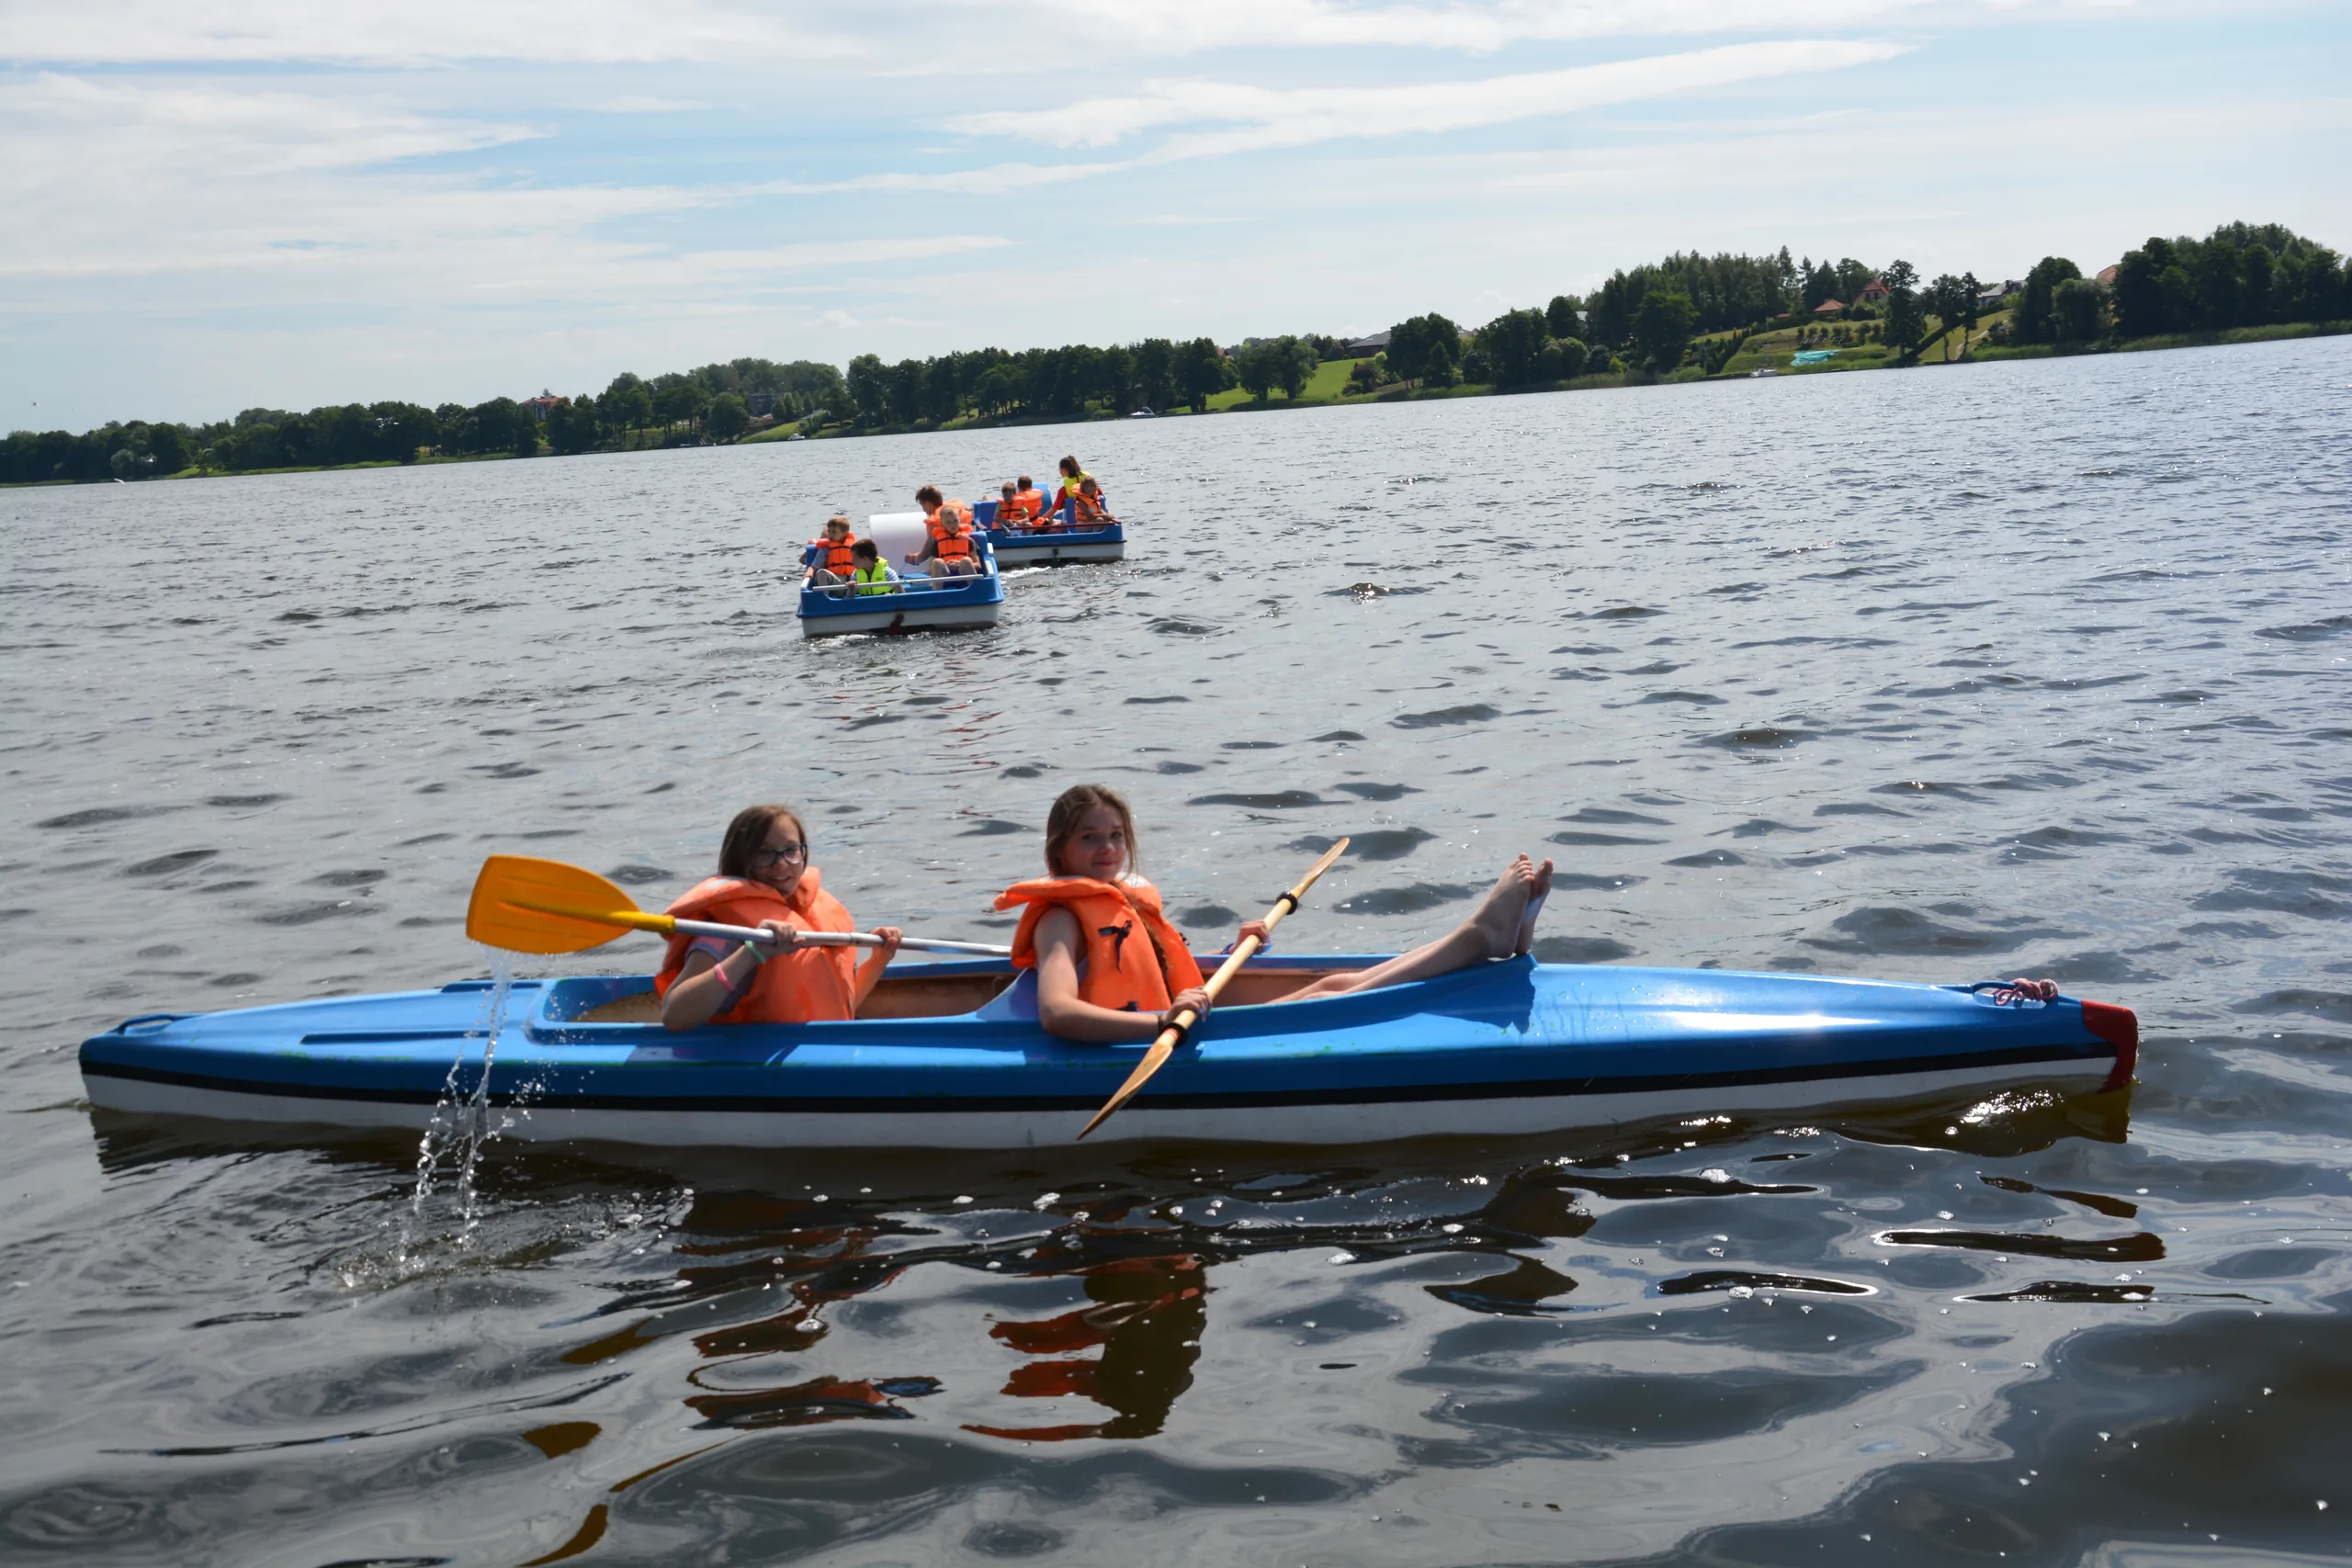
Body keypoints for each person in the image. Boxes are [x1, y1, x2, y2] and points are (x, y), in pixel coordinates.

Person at [995, 784, 1555, 1043]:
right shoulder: (1061, 919)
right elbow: (1058, 1014)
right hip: (1157, 1034)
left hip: (1185, 1013)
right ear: (1059, 853)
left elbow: (1159, 968)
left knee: (1336, 980)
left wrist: (1225, 953)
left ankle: (1491, 938)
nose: (1108, 848)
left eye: (1116, 836)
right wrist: (1160, 1022)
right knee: (1330, 996)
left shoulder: (1126, 896)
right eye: (1090, 838)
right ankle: (1480, 938)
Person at [657, 804, 901, 1030]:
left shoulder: (808, 910)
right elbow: (673, 1015)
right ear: (741, 859)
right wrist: (751, 952)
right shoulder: (727, 930)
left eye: (791, 851)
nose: (782, 864)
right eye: (765, 853)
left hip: (822, 1049)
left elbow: (840, 1006)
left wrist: (880, 959)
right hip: (754, 1063)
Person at [905, 502, 984, 579]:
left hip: (963, 573)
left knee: (966, 560)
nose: (952, 525)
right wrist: (945, 565)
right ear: (942, 524)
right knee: (937, 562)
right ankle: (938, 592)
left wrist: (960, 564)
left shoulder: (969, 540)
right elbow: (931, 569)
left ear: (960, 520)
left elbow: (978, 566)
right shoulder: (937, 543)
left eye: (955, 521)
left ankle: (973, 589)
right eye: (948, 522)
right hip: (946, 575)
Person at [804, 515, 858, 586]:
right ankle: (823, 595)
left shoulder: (854, 547)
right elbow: (815, 566)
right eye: (829, 531)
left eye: (834, 532)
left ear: (845, 533)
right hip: (837, 580)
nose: (830, 535)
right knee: (822, 573)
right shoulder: (825, 549)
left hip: (854, 579)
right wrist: (809, 572)